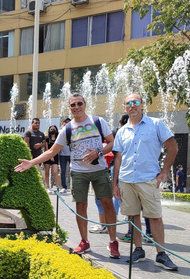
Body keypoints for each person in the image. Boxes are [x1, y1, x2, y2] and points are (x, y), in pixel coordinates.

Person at [16, 94, 120, 259]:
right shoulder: (68, 128)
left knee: (107, 203)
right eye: (73, 105)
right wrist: (32, 162)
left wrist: (98, 152)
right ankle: (84, 241)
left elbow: (112, 142)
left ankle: (113, 242)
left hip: (99, 169)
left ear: (85, 104)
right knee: (81, 206)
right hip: (79, 172)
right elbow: (52, 151)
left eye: (79, 103)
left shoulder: (98, 121)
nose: (77, 107)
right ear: (70, 108)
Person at [112, 93, 179, 271]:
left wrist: (164, 172)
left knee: (155, 216)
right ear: (124, 106)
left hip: (148, 179)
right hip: (126, 180)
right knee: (133, 216)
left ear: (142, 105)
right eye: (128, 103)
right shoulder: (122, 131)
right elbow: (118, 158)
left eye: (135, 102)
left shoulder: (155, 124)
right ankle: (138, 250)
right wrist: (115, 183)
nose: (132, 106)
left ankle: (161, 254)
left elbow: (173, 147)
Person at [43, 125, 62, 194]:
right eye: (51, 129)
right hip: (47, 156)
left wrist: (53, 156)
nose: (52, 130)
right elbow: (46, 149)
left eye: (54, 129)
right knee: (47, 172)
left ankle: (57, 187)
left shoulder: (58, 139)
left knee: (55, 172)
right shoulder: (47, 139)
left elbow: (58, 148)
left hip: (55, 156)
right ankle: (48, 187)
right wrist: (50, 156)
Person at [58, 117, 71, 193]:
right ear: (62, 123)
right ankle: (64, 187)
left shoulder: (73, 130)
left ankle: (74, 186)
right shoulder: (60, 131)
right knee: (63, 171)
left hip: (71, 154)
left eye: (68, 122)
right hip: (62, 155)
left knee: (73, 170)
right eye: (65, 122)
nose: (67, 123)